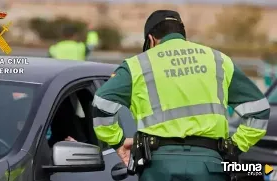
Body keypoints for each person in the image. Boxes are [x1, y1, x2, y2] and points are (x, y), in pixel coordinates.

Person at [92, 10, 270, 181]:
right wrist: (234, 146)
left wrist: (117, 141)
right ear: (182, 35)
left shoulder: (138, 64)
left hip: (158, 166)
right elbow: (259, 110)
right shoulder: (218, 61)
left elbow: (101, 103)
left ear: (151, 40)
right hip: (210, 165)